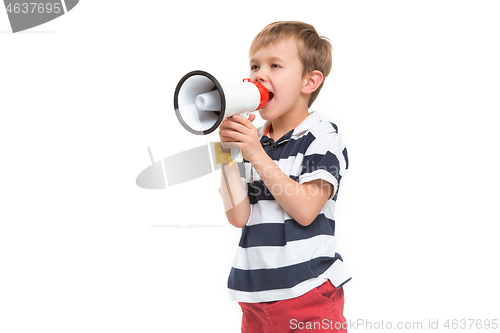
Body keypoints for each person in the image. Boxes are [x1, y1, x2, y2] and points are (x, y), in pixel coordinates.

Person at [219, 21, 350, 333]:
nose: (259, 75)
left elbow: (306, 210)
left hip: (307, 294)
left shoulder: (321, 135)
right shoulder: (257, 140)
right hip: (254, 296)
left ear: (309, 82)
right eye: (254, 65)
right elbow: (238, 216)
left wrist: (255, 153)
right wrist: (226, 154)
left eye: (275, 65)